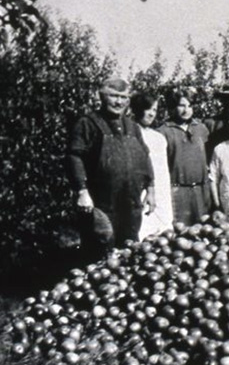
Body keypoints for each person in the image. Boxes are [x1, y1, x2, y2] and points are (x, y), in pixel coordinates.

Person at [67, 77, 155, 251]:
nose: (118, 101)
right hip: (101, 202)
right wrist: (81, 191)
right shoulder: (88, 123)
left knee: (129, 249)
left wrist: (151, 189)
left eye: (123, 97)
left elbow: (145, 157)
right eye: (114, 96)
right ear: (102, 96)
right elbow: (74, 156)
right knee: (99, 249)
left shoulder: (132, 127)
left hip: (130, 202)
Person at [158, 88, 211, 226]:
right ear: (173, 107)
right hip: (177, 191)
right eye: (182, 105)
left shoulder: (201, 128)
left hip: (200, 190)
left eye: (190, 106)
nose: (186, 110)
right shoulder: (163, 131)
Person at [131, 93, 173, 239]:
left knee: (163, 232)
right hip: (142, 189)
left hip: (161, 189)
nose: (151, 114)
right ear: (137, 110)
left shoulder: (159, 137)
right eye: (147, 109)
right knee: (142, 230)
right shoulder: (130, 134)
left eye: (154, 110)